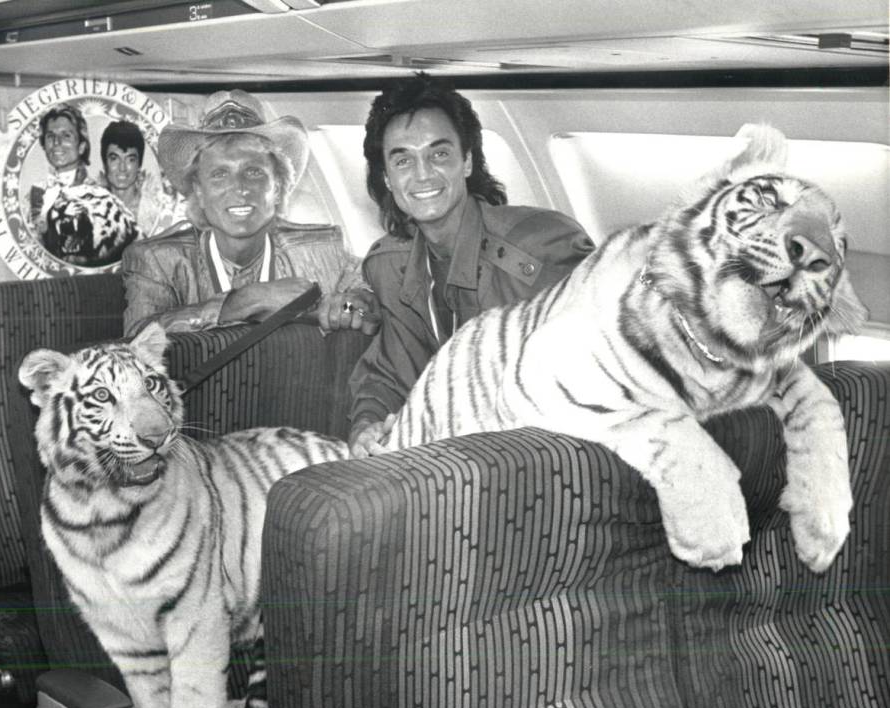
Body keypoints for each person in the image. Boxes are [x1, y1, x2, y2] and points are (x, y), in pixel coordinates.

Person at [348, 73, 594, 456]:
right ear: (387, 178)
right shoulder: (391, 267)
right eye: (403, 160)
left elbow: (593, 383)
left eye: (439, 154)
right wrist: (367, 425)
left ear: (466, 162)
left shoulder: (540, 251)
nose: (423, 174)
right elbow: (389, 374)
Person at [122, 89, 377, 337]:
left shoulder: (323, 250)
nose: (240, 189)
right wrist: (243, 302)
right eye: (220, 174)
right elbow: (135, 340)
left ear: (278, 188)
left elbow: (370, 301)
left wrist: (349, 307)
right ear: (199, 192)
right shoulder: (158, 260)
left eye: (254, 172)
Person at [99, 119, 184, 237]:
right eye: (114, 158)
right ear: (105, 163)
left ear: (139, 164)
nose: (122, 168)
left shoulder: (156, 208)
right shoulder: (91, 209)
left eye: (130, 159)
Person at [29, 103, 93, 233]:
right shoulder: (38, 191)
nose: (56, 142)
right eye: (50, 136)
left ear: (81, 146)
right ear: (44, 146)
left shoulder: (96, 191)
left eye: (66, 135)